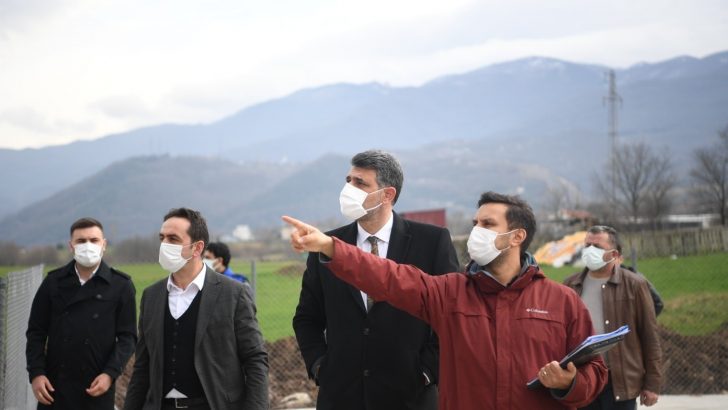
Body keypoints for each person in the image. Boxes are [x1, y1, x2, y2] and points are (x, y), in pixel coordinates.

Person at [284, 191, 608, 410]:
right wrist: (331, 247)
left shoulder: (562, 301)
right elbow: (389, 277)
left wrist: (570, 383)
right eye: (475, 224)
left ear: (517, 236)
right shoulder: (451, 293)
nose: (477, 232)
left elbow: (594, 370)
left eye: (488, 224)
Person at [292, 150, 460, 410]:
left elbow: (452, 313)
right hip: (341, 397)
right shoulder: (326, 245)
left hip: (410, 397)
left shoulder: (432, 241)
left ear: (387, 194)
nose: (349, 189)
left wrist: (427, 371)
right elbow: (307, 317)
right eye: (348, 180)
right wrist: (320, 366)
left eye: (360, 183)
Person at [124, 208, 268, 410]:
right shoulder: (151, 296)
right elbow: (142, 366)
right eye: (162, 238)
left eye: (173, 239)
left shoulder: (234, 294)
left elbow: (255, 359)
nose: (165, 245)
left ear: (197, 247)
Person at [26, 217, 137, 410]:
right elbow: (36, 332)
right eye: (81, 241)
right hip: (54, 388)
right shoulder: (53, 282)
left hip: (97, 388)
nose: (88, 246)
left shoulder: (121, 285)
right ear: (71, 246)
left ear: (104, 244)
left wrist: (110, 374)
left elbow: (128, 338)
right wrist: (36, 373)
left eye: (94, 240)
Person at [563, 226, 662, 409]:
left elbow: (650, 336)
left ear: (614, 253)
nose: (590, 250)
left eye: (597, 247)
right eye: (587, 245)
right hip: (582, 379)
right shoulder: (570, 286)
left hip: (619, 380)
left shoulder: (635, 284)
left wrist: (652, 384)